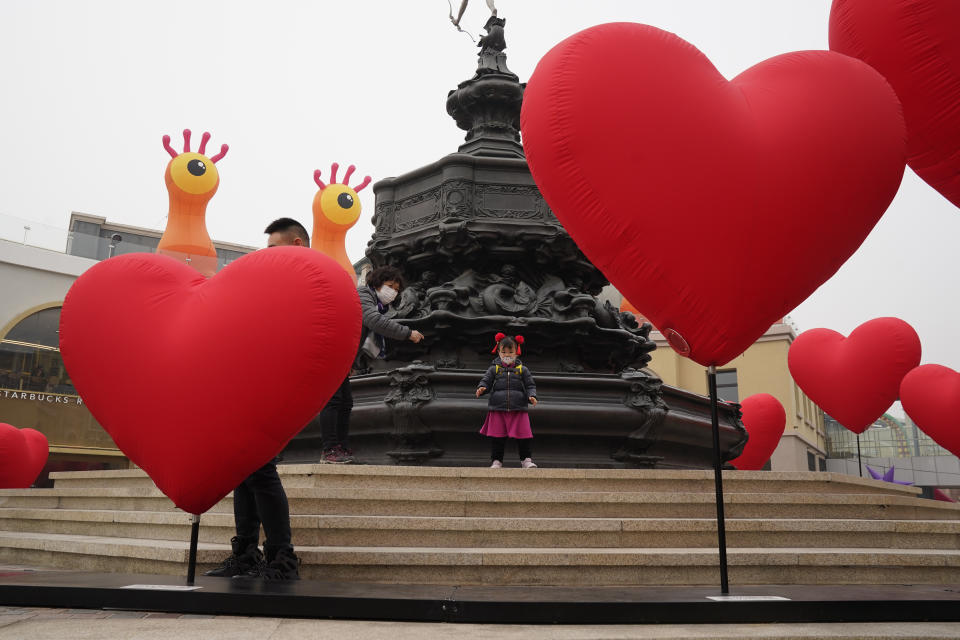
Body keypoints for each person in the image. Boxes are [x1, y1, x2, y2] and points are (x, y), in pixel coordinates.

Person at [205, 217, 308, 581]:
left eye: (273, 249)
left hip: (275, 389)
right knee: (243, 471)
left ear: (297, 245)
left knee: (260, 470)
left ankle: (282, 558)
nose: (266, 258)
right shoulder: (271, 285)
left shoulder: (310, 283)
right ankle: (247, 554)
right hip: (248, 385)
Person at [319, 265, 425, 463]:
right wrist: (407, 333)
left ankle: (340, 447)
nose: (392, 291)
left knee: (345, 403)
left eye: (396, 288)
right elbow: (372, 320)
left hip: (342, 356)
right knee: (334, 401)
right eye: (389, 285)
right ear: (376, 283)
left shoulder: (378, 304)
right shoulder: (363, 295)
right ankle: (330, 449)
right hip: (332, 351)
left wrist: (352, 362)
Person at [476, 333, 538, 468]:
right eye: (504, 352)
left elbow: (530, 385)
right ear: (499, 352)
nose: (507, 354)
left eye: (510, 351)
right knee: (497, 437)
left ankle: (526, 460)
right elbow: (485, 381)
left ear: (517, 352)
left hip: (518, 408)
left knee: (523, 436)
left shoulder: (523, 370)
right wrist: (482, 388)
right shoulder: (494, 369)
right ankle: (496, 461)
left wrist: (531, 395)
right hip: (498, 407)